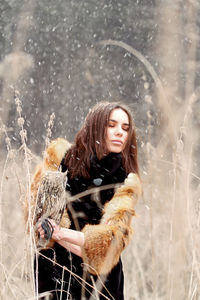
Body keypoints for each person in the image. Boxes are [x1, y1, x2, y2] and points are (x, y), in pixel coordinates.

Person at [30, 102, 141, 299]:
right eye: (111, 125)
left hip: (100, 283)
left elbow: (109, 247)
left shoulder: (127, 180)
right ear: (96, 127)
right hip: (54, 273)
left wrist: (59, 233)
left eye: (125, 128)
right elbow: (36, 219)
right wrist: (54, 233)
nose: (120, 133)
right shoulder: (60, 161)